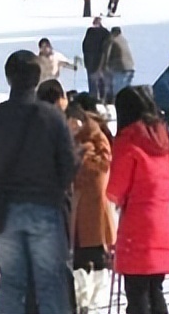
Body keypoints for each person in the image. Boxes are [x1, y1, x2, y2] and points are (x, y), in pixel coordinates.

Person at [0, 51, 78, 314]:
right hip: (44, 205)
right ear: (38, 77)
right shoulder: (52, 117)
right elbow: (67, 163)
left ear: (8, 77)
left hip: (5, 207)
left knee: (10, 282)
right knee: (50, 282)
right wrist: (55, 189)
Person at [106, 85, 169, 314]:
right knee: (155, 287)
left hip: (136, 222)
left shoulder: (128, 140)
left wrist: (122, 200)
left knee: (137, 290)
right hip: (163, 221)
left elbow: (116, 187)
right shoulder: (163, 139)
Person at [66, 98, 115, 314]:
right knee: (78, 252)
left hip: (93, 204)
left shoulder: (96, 137)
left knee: (95, 252)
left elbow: (103, 166)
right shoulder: (70, 140)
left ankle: (93, 299)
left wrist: (81, 158)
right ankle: (81, 297)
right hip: (76, 204)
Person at [82, 18, 111, 102]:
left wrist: (86, 60)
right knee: (103, 85)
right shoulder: (106, 33)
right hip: (102, 63)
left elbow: (84, 46)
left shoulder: (89, 33)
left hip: (90, 63)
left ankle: (93, 101)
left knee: (93, 85)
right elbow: (108, 47)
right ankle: (104, 100)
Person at [103, 26, 135, 98]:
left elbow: (107, 54)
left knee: (119, 93)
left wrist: (104, 66)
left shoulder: (112, 40)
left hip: (120, 68)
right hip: (130, 67)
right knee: (127, 91)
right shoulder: (123, 39)